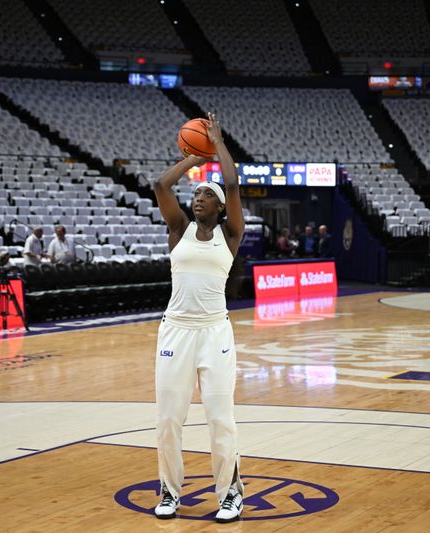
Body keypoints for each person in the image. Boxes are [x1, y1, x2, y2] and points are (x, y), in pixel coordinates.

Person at [152, 111, 245, 523]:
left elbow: (232, 183)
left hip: (214, 333)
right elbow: (160, 185)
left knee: (219, 417)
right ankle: (169, 491)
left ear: (220, 207)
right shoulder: (179, 229)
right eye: (196, 195)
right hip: (176, 332)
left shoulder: (230, 236)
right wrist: (194, 155)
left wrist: (217, 142)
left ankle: (230, 495)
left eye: (206, 195)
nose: (198, 198)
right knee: (169, 419)